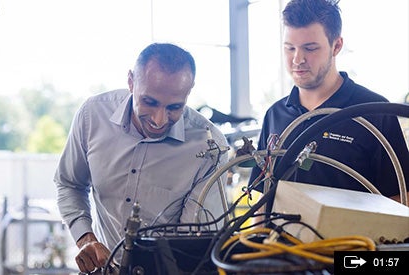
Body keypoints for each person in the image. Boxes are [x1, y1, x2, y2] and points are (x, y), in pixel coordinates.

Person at [54, 43, 229, 273]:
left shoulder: (211, 148)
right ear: (130, 82)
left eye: (174, 107)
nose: (159, 120)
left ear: (189, 91)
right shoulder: (92, 115)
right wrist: (86, 239)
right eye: (150, 102)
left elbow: (196, 244)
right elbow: (69, 184)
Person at [250, 0, 409, 203]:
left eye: (310, 48)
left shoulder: (375, 112)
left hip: (353, 235)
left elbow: (401, 199)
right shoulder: (275, 114)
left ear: (337, 46)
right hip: (280, 235)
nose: (298, 59)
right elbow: (263, 198)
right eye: (290, 48)